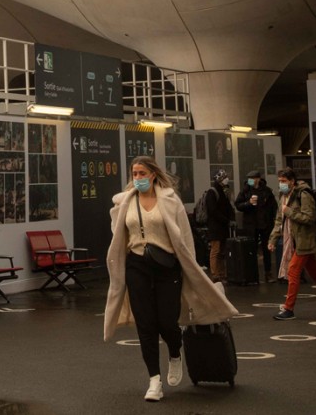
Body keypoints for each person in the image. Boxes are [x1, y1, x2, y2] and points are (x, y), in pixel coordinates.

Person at [104, 156, 237, 402]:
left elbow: (184, 237)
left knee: (167, 321)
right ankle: (154, 380)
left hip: (167, 266)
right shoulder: (125, 201)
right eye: (135, 173)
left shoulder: (169, 200)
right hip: (136, 265)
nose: (138, 178)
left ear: (153, 174)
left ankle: (175, 353)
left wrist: (191, 266)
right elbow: (119, 234)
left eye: (142, 173)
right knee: (146, 325)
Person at [268, 168, 316, 320]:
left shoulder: (304, 194)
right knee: (315, 273)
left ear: (292, 181)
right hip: (295, 240)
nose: (281, 184)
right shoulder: (283, 196)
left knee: (293, 272)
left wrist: (289, 212)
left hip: (305, 240)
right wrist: (272, 239)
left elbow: (309, 218)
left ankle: (288, 309)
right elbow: (279, 220)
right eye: (279, 181)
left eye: (283, 181)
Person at [234, 170, 278, 282]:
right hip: (251, 225)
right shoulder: (245, 191)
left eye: (253, 178)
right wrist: (248, 203)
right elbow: (238, 205)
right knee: (251, 250)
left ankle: (268, 273)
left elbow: (273, 206)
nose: (251, 180)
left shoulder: (267, 191)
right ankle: (252, 274)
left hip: (264, 224)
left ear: (258, 179)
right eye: (249, 178)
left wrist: (273, 220)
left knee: (266, 249)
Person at [202, 169, 236, 283]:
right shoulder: (213, 192)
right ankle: (215, 274)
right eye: (224, 177)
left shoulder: (224, 191)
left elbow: (228, 207)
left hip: (222, 226)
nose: (227, 179)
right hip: (215, 227)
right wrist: (226, 220)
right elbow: (213, 210)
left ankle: (222, 273)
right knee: (215, 250)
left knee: (221, 251)